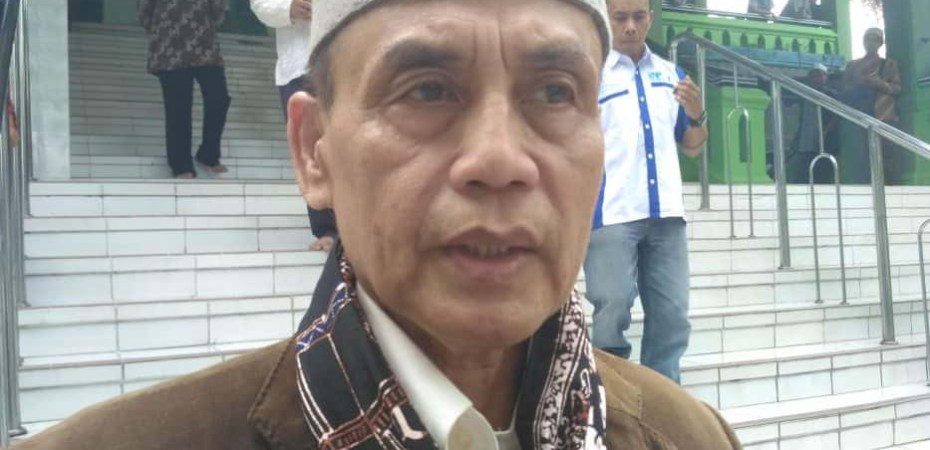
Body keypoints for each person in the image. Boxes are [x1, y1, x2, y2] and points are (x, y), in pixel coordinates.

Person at [13, 1, 740, 449]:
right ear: (314, 150)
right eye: (427, 91)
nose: (500, 161)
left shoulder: (690, 437)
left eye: (554, 93)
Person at [585, 0, 707, 384]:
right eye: (620, 17)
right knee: (612, 307)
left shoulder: (672, 75)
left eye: (639, 17)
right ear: (606, 19)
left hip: (667, 215)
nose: (630, 26)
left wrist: (698, 113)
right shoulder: (590, 76)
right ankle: (611, 400)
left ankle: (663, 402)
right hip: (612, 211)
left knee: (673, 317)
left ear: (650, 19)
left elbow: (692, 146)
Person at [250, 0, 339, 252]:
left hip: (342, 60)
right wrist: (288, 8)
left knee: (347, 144)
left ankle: (356, 223)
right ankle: (327, 228)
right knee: (310, 148)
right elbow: (260, 4)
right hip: (298, 67)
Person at [139, 0, 232, 179]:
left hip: (205, 43)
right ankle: (181, 164)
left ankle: (209, 153)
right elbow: (144, 10)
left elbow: (218, 8)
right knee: (178, 106)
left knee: (218, 99)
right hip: (169, 45)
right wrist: (164, 26)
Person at [839, 27, 904, 184]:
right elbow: (843, 90)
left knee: (886, 153)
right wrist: (858, 83)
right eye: (868, 39)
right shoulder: (853, 65)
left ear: (880, 43)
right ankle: (864, 185)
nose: (870, 43)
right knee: (860, 154)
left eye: (874, 40)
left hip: (883, 115)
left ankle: (889, 185)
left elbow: (896, 88)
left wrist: (878, 83)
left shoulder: (888, 64)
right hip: (858, 115)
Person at [784, 64, 839, 183]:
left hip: (824, 140)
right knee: (803, 173)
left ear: (826, 77)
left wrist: (825, 132)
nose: (817, 78)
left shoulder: (831, 95)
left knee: (822, 172)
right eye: (814, 76)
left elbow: (836, 117)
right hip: (805, 141)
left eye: (820, 75)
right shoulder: (805, 94)